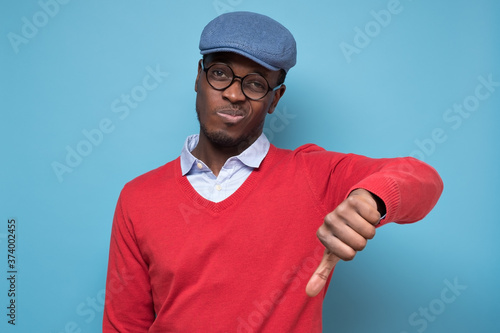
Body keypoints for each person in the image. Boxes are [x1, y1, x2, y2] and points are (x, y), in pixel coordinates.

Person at [103, 11, 443, 332]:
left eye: (254, 83)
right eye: (220, 73)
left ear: (275, 98)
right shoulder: (138, 197)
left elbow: (421, 178)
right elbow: (124, 325)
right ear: (198, 78)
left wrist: (374, 198)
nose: (234, 94)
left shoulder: (313, 174)